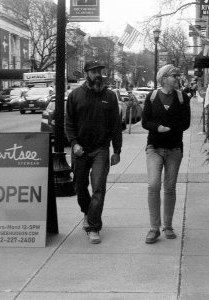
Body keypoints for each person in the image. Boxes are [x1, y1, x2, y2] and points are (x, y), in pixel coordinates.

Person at [65, 60, 122, 244]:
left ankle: (93, 227)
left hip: (101, 149)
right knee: (80, 187)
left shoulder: (110, 96)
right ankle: (87, 213)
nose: (98, 74)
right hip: (80, 149)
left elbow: (115, 126)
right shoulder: (75, 96)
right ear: (86, 74)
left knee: (98, 188)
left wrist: (117, 150)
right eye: (94, 71)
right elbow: (69, 124)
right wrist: (74, 143)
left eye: (100, 71)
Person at [141, 64, 191, 244]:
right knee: (153, 185)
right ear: (163, 78)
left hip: (174, 149)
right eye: (173, 76)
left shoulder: (182, 97)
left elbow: (186, 123)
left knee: (169, 188)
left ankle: (168, 226)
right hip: (154, 147)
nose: (177, 78)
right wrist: (158, 128)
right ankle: (154, 228)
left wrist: (170, 128)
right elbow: (145, 122)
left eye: (177, 76)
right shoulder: (152, 96)